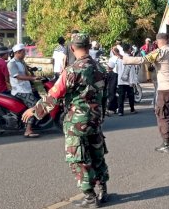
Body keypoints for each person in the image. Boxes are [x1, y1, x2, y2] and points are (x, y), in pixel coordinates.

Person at [22, 33, 109, 207]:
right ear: (89, 46)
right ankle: (102, 190)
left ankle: (90, 197)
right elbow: (104, 96)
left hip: (76, 122)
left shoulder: (72, 70)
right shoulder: (100, 67)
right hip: (95, 120)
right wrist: (101, 115)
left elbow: (55, 93)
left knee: (79, 159)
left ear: (72, 47)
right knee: (96, 154)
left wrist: (34, 110)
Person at [123, 33, 169, 153]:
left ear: (157, 42)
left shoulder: (159, 52)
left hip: (165, 88)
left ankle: (166, 144)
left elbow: (143, 60)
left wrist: (125, 59)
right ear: (168, 40)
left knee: (163, 115)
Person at [8, 44, 42, 137]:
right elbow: (18, 76)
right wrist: (32, 78)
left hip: (26, 88)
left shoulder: (21, 62)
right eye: (23, 52)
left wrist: (35, 77)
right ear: (18, 52)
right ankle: (28, 130)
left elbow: (27, 72)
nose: (25, 53)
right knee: (35, 106)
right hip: (19, 90)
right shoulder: (12, 63)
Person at [113, 44, 138, 116]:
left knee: (121, 96)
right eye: (131, 49)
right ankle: (132, 109)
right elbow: (132, 71)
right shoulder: (130, 58)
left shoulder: (119, 59)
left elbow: (117, 69)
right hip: (129, 81)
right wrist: (133, 81)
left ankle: (120, 111)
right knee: (131, 96)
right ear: (129, 49)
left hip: (121, 80)